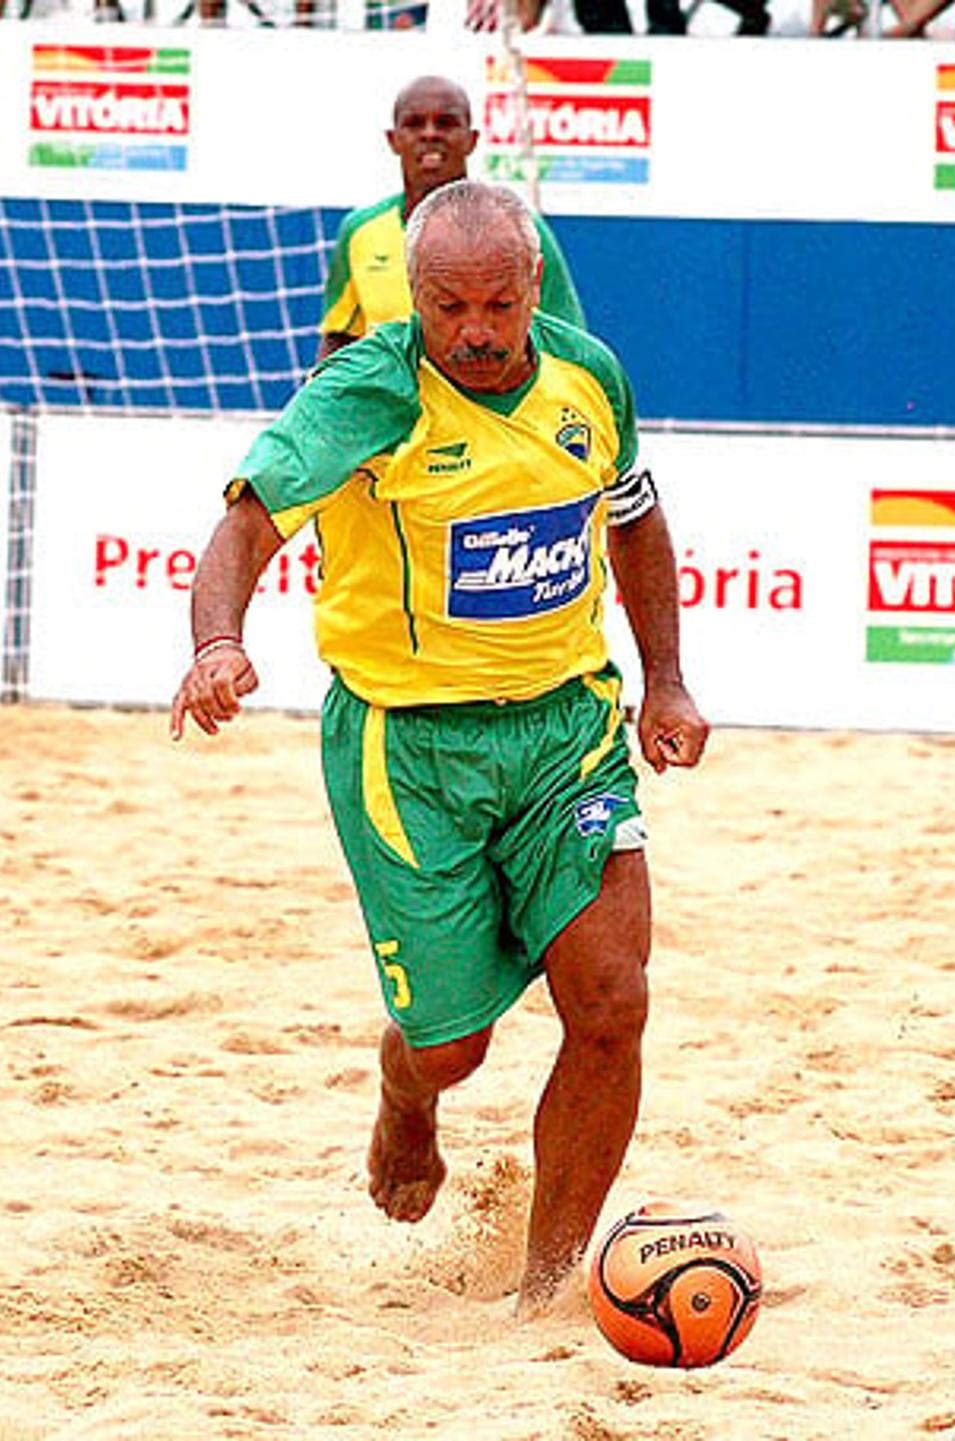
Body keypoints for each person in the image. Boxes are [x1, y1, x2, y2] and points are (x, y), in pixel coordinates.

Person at [171, 180, 709, 1316]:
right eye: (448, 306)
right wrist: (217, 640)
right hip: (406, 749)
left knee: (611, 1002)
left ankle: (546, 1288)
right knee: (452, 1045)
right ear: (411, 296)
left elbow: (636, 515)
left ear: (532, 291)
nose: (474, 331)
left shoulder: (590, 374)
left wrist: (664, 676)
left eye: (498, 306)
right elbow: (247, 523)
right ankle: (405, 1098)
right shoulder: (366, 391)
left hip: (568, 731)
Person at [318, 75, 584, 366]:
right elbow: (341, 336)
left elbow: (567, 338)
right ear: (393, 140)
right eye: (414, 123)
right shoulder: (360, 230)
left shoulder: (517, 228)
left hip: (487, 407)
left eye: (445, 123)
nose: (430, 134)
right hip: (396, 407)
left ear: (471, 140)